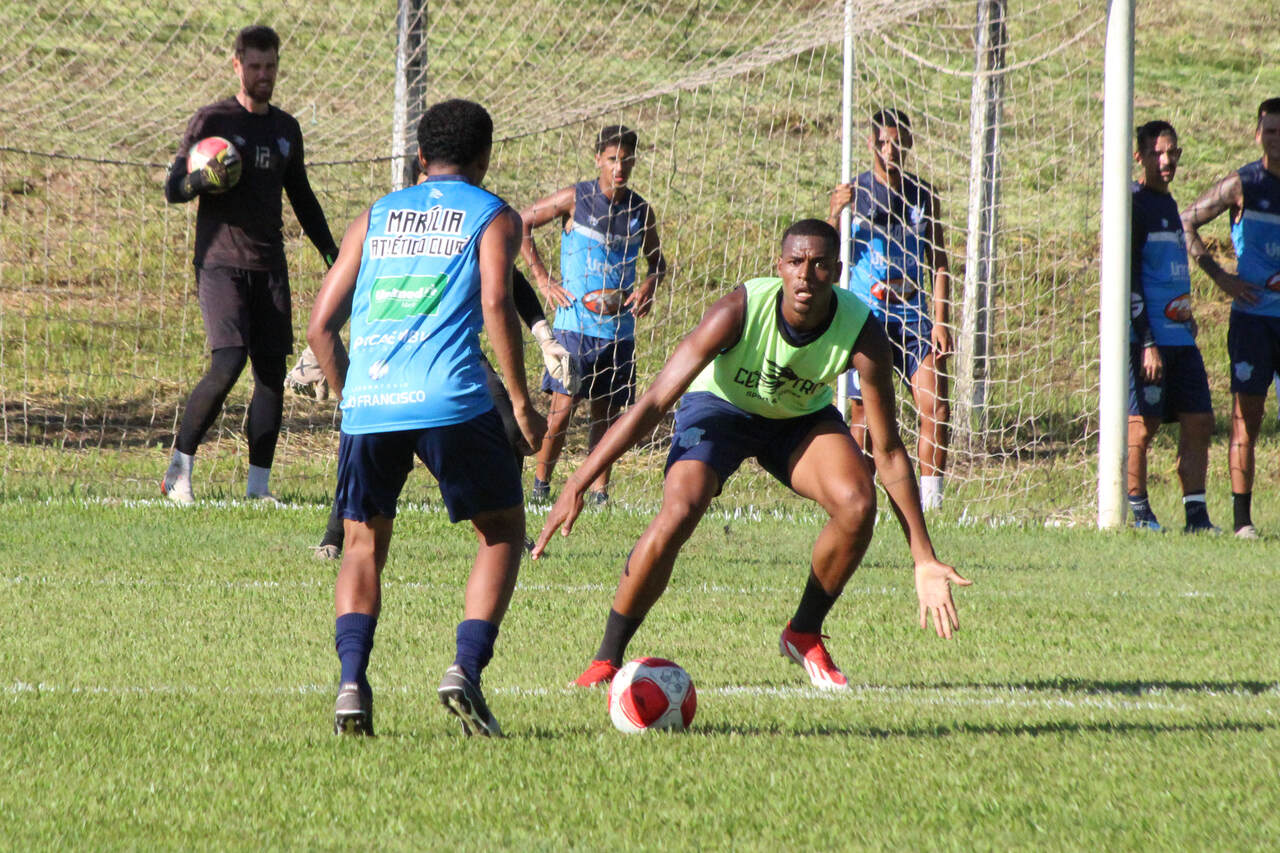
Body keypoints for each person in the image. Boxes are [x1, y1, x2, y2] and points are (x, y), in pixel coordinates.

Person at [532, 219, 970, 691]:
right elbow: (656, 400)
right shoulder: (739, 309)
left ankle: (803, 633)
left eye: (820, 265)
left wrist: (923, 557)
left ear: (838, 271)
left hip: (798, 419)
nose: (806, 275)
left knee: (857, 503)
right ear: (779, 267)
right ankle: (606, 659)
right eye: (797, 263)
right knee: (680, 510)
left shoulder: (863, 332)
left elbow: (886, 450)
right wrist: (578, 481)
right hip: (720, 407)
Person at [306, 99, 547, 737]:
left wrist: (348, 396)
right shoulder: (494, 214)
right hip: (452, 399)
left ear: (419, 157)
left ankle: (352, 685)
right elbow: (497, 299)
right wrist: (522, 402)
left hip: (371, 402)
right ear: (485, 158)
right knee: (500, 530)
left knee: (362, 545)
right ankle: (465, 671)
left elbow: (320, 325)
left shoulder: (375, 216)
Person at [305, 158, 576, 560]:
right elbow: (338, 308)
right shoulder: (387, 223)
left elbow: (506, 282)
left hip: (446, 353)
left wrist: (542, 332)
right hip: (391, 355)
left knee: (507, 429)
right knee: (364, 432)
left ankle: (505, 527)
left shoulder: (464, 221)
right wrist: (322, 360)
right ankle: (334, 533)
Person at [160, 25, 339, 504]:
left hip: (269, 264)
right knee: (228, 361)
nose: (264, 75)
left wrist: (332, 256)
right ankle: (178, 470)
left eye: (271, 66)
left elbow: (300, 195)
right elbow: (173, 188)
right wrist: (202, 180)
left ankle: (258, 488)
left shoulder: (285, 129)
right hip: (220, 262)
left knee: (269, 374)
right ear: (236, 65)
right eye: (255, 66)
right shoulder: (212, 119)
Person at [520, 124, 667, 506]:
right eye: (613, 158)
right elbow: (521, 223)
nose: (620, 167)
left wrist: (650, 283)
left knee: (607, 414)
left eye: (627, 159)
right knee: (562, 409)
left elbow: (659, 263)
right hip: (574, 327)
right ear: (598, 159)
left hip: (618, 332)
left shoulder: (640, 211)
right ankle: (541, 485)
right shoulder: (576, 198)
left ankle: (599, 491)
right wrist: (542, 276)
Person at [827, 108, 951, 510]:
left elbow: (940, 260)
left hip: (914, 314)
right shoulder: (855, 193)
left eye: (898, 141)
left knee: (937, 406)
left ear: (909, 143)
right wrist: (834, 214)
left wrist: (942, 320)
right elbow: (827, 256)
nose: (890, 148)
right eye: (883, 141)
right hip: (868, 317)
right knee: (864, 416)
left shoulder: (923, 195)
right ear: (871, 144)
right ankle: (861, 500)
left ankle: (932, 503)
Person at [1181, 97, 1280, 539]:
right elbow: (1185, 222)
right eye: (1271, 131)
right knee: (1247, 419)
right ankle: (1243, 522)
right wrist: (1220, 277)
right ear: (1258, 134)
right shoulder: (1243, 184)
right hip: (1254, 322)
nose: (1277, 140)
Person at [1126, 121, 1218, 534]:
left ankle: (1196, 515)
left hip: (1181, 336)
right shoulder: (1134, 205)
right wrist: (1146, 340)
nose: (1166, 161)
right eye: (1158, 153)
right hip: (1150, 339)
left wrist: (1187, 311)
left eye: (1173, 153)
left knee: (1199, 419)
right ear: (1139, 157)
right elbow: (1129, 279)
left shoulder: (1168, 204)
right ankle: (1139, 509)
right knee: (1143, 426)